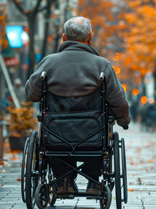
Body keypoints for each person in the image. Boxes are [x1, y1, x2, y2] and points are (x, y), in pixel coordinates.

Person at [25, 16, 130, 195]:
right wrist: (124, 120)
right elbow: (117, 99)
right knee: (101, 134)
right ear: (90, 38)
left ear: (64, 38)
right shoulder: (101, 65)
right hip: (93, 136)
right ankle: (94, 183)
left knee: (53, 139)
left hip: (56, 135)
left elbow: (31, 95)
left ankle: (63, 182)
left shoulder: (48, 63)